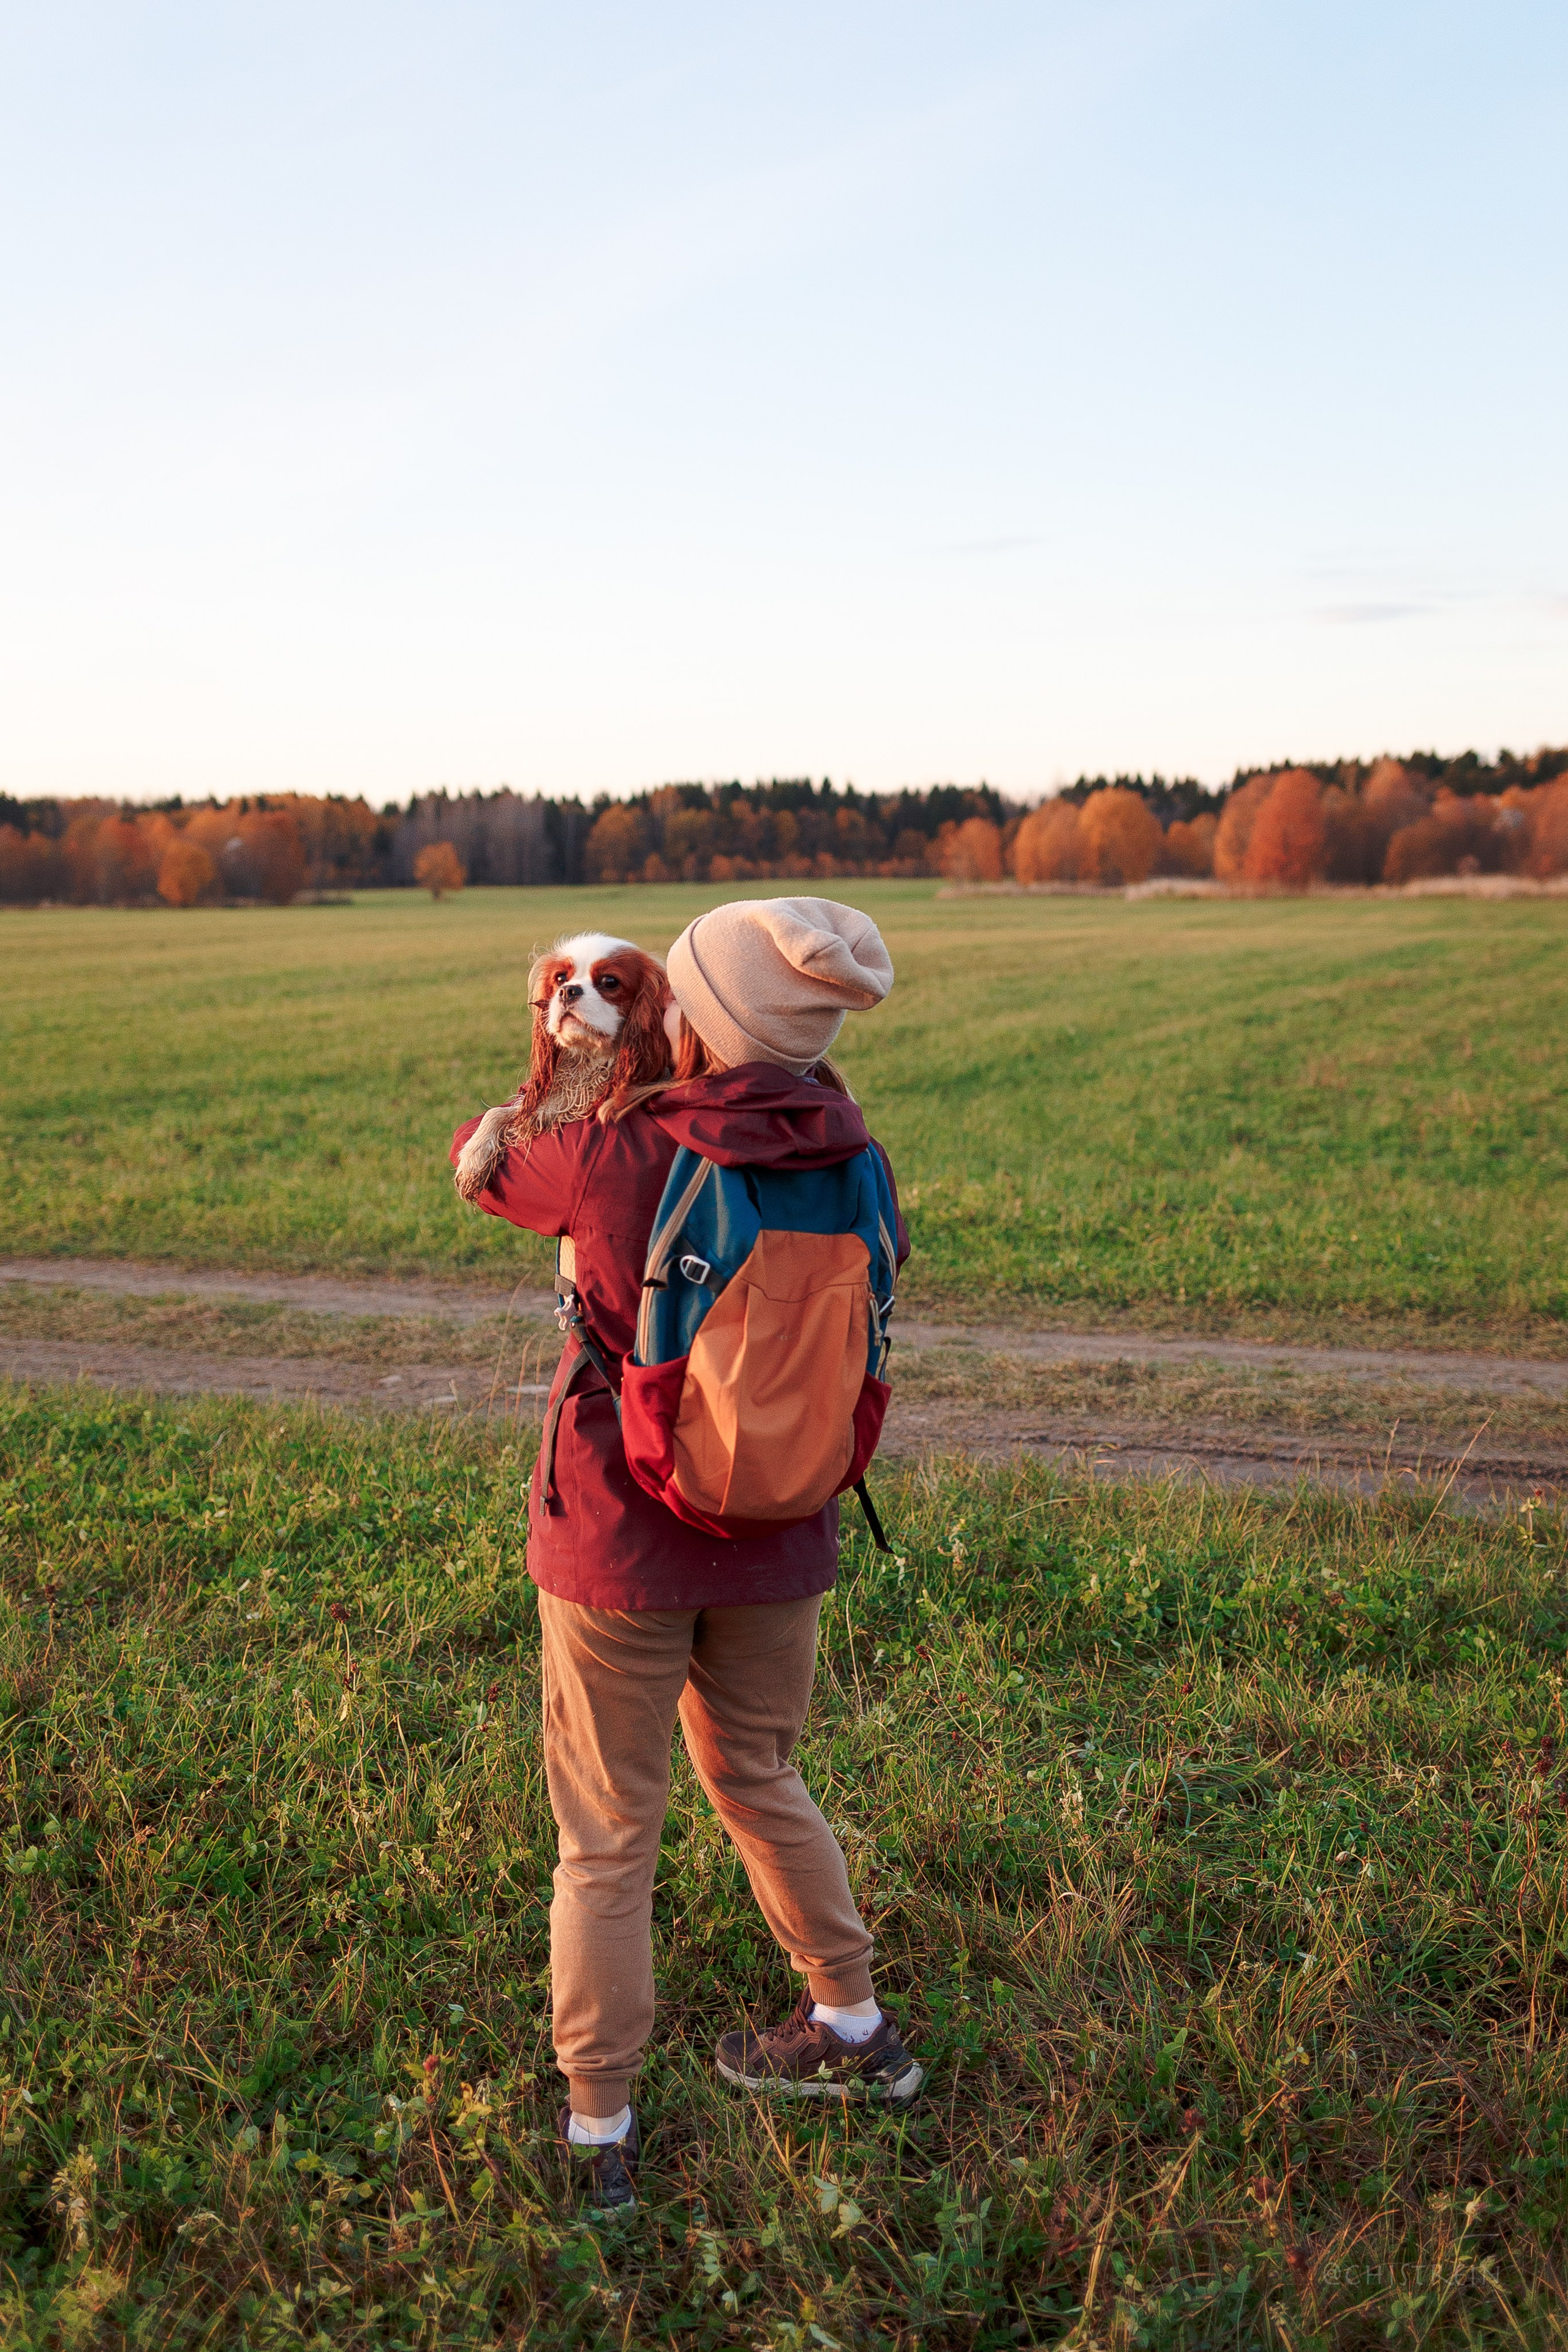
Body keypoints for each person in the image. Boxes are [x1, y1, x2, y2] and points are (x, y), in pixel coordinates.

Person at [450, 897, 920, 2209]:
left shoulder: (619, 1155)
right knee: (759, 1772)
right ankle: (852, 2027)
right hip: (783, 1527)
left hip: (617, 1539)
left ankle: (599, 2133)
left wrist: (579, 1076)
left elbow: (480, 1164)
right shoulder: (857, 1153)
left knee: (606, 1837)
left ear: (690, 1014)